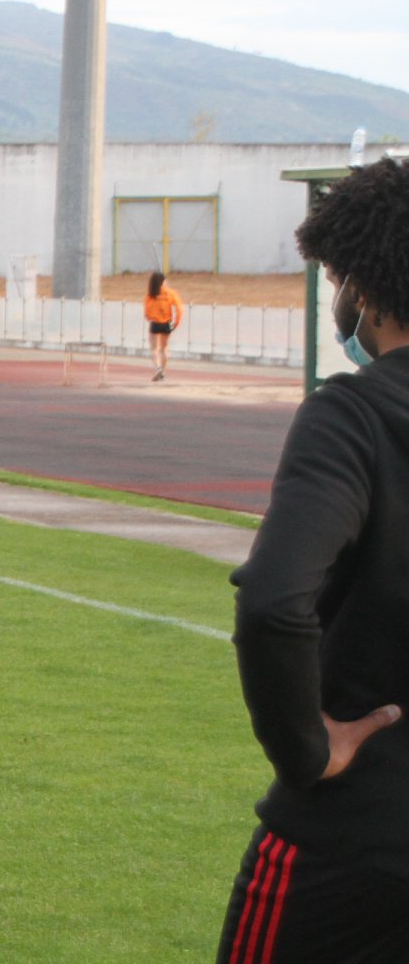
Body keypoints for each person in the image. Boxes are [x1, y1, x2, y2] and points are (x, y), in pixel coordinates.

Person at [218, 156, 409, 962]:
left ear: (361, 287)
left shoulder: (352, 417)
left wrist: (305, 747)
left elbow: (272, 599)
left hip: (356, 834)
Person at [144, 270, 184, 381]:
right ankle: (163, 371)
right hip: (166, 323)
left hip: (155, 323)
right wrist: (176, 322)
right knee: (164, 349)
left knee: (154, 349)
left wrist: (150, 316)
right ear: (163, 282)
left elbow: (147, 312)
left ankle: (158, 368)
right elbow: (179, 309)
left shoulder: (150, 294)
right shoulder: (170, 293)